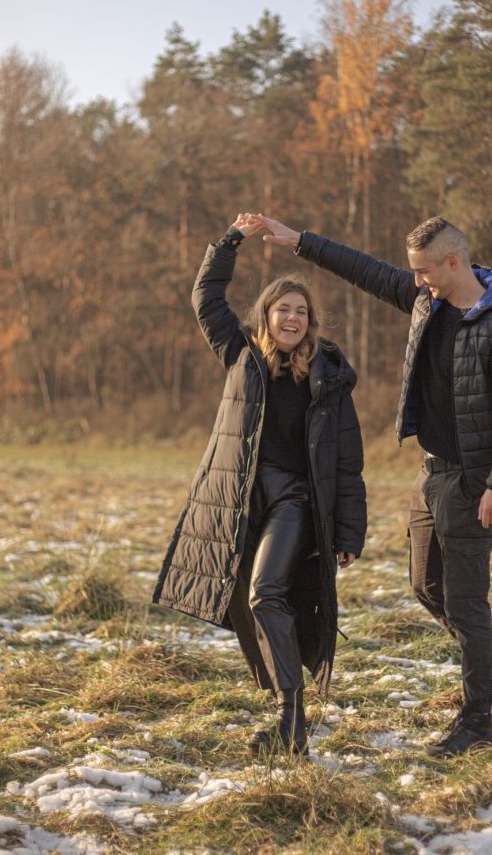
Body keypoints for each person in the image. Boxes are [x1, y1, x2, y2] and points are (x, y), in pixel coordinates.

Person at [251, 212, 492, 758]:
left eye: (425, 270)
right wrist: (300, 242)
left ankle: (477, 718)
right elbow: (366, 270)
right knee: (426, 588)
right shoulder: (426, 300)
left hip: (474, 479)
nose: (415, 280)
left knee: (466, 602)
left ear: (452, 262)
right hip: (431, 472)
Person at [152, 214, 367, 757]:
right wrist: (228, 241)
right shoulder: (241, 356)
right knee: (246, 604)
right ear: (266, 317)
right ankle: (284, 716)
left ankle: (291, 719)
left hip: (294, 499)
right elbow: (205, 296)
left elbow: (348, 462)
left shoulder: (330, 376)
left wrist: (349, 531)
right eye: (283, 309)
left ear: (310, 322)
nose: (292, 318)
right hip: (241, 500)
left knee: (265, 591)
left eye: (301, 312)